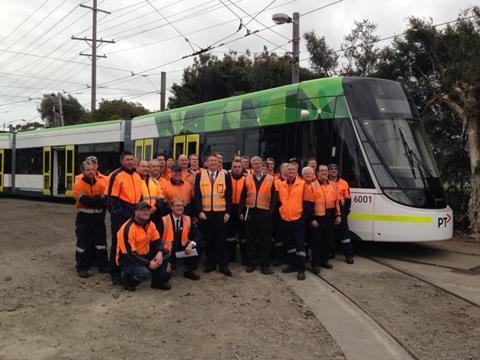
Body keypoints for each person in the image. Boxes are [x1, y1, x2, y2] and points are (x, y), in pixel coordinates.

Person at [105, 151, 144, 285]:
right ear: (121, 161)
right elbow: (110, 199)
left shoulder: (137, 176)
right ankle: (114, 272)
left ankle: (128, 270)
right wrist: (118, 215)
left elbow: (140, 197)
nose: (130, 162)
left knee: (132, 243)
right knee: (118, 243)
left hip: (135, 214)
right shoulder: (116, 175)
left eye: (132, 159)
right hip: (121, 216)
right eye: (127, 159)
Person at [116, 201, 171, 291]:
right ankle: (127, 278)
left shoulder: (150, 224)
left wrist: (160, 252)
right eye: (142, 210)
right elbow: (130, 254)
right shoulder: (128, 228)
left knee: (165, 253)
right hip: (127, 259)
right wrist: (149, 263)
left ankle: (157, 283)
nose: (146, 212)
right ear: (135, 212)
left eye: (148, 210)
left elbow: (157, 241)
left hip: (144, 253)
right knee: (145, 273)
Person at [194, 154, 232, 276]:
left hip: (220, 214)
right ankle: (210, 263)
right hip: (206, 214)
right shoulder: (200, 175)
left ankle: (223, 265)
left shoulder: (225, 176)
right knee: (209, 239)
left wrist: (227, 212)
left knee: (221, 240)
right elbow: (197, 196)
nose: (213, 163)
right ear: (206, 163)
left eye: (215, 161)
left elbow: (229, 196)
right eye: (211, 161)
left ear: (219, 163)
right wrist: (199, 211)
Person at [240, 156, 277, 275]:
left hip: (264, 213)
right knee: (250, 240)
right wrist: (241, 211)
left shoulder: (271, 179)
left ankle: (265, 266)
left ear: (262, 165)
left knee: (265, 241)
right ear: (252, 166)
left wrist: (270, 211)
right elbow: (243, 196)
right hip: (250, 213)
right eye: (254, 163)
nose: (257, 165)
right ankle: (251, 264)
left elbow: (274, 198)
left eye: (259, 163)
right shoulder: (247, 178)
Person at [73, 161, 108, 278]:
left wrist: (94, 200)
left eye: (92, 169)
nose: (90, 172)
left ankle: (102, 266)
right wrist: (98, 199)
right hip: (84, 219)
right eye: (87, 170)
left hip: (98, 219)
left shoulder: (100, 184)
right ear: (82, 171)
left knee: (101, 243)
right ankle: (81, 268)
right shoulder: (78, 185)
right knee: (82, 244)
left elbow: (105, 201)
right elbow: (84, 201)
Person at [278, 163, 313, 281]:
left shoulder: (302, 184)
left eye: (293, 169)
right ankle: (292, 265)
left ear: (296, 172)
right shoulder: (281, 184)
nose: (291, 171)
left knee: (300, 245)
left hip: (298, 219)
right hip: (285, 219)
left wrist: (303, 218)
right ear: (285, 172)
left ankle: (301, 269)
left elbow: (308, 203)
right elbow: (279, 201)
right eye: (289, 169)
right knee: (289, 244)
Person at [157, 198, 203, 281]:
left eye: (181, 206)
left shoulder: (187, 219)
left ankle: (188, 270)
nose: (180, 208)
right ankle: (170, 265)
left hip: (182, 250)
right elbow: (156, 240)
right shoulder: (164, 220)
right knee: (164, 278)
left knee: (200, 245)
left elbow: (198, 234)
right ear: (171, 207)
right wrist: (162, 255)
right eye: (177, 205)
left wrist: (191, 244)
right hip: (167, 253)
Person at [308, 165, 341, 273]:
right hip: (318, 217)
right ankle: (316, 263)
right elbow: (309, 205)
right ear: (317, 173)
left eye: (326, 171)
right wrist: (312, 219)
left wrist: (338, 215)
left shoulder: (334, 185)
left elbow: (337, 202)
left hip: (330, 215)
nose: (324, 172)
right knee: (317, 241)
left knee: (328, 240)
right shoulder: (312, 186)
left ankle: (324, 261)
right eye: (322, 171)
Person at [328, 164, 354, 264]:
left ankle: (349, 255)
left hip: (341, 209)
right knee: (330, 233)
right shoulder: (325, 182)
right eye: (331, 169)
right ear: (328, 171)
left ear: (338, 171)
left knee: (344, 233)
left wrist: (345, 212)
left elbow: (348, 199)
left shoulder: (343, 183)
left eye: (335, 169)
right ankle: (330, 253)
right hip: (330, 209)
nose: (333, 171)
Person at [227, 160, 247, 263]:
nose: (237, 168)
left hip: (241, 208)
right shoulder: (228, 178)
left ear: (242, 168)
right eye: (235, 166)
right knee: (230, 234)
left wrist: (242, 211)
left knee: (243, 234)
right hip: (230, 208)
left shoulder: (246, 179)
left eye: (239, 166)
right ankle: (231, 256)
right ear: (232, 168)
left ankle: (244, 257)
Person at [137, 160, 165, 226]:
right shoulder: (135, 181)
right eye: (143, 166)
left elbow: (160, 198)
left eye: (147, 167)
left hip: (154, 214)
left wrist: (156, 207)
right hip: (139, 215)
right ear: (137, 167)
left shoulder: (155, 182)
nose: (145, 168)